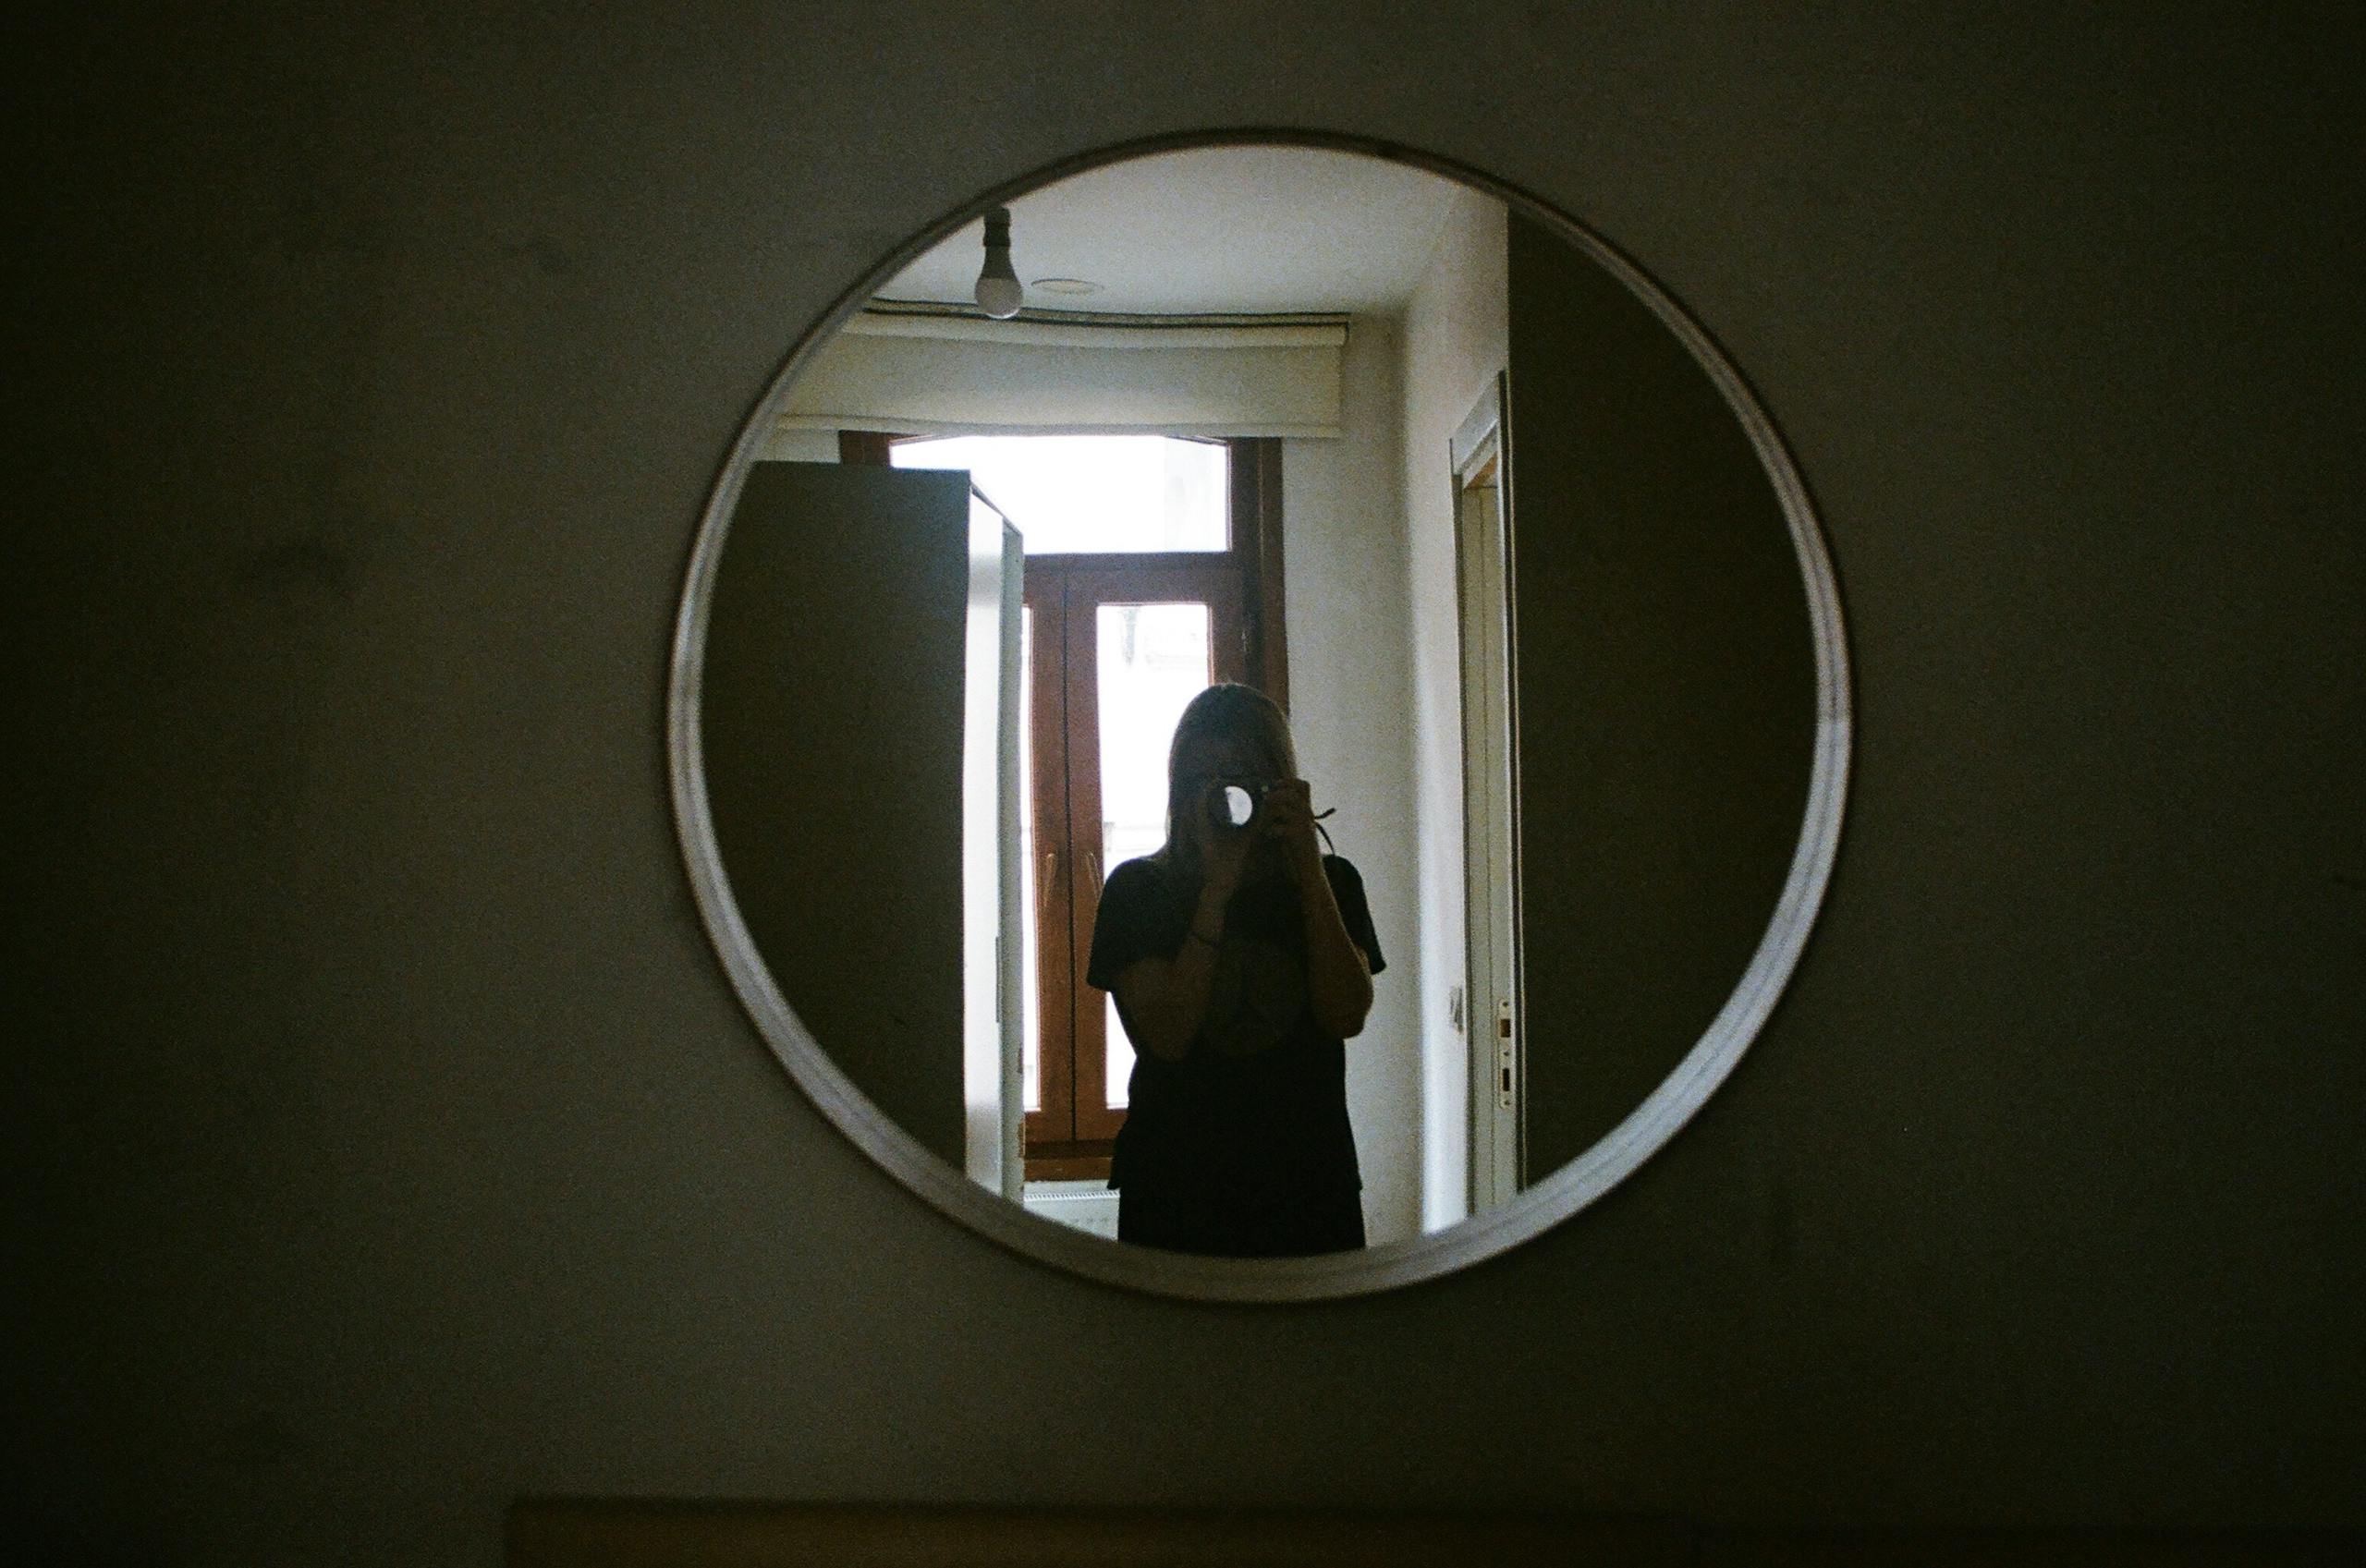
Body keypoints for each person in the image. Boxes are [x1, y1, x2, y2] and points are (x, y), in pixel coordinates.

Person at [1085, 683, 1384, 1258]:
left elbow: (1347, 1013)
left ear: (1280, 785)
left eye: (1243, 779)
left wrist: (1308, 871)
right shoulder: (1140, 891)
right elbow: (1168, 1038)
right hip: (1177, 1187)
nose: (1223, 799)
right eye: (1202, 783)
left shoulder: (1332, 883)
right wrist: (1216, 889)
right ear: (1178, 792)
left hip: (1307, 1185)